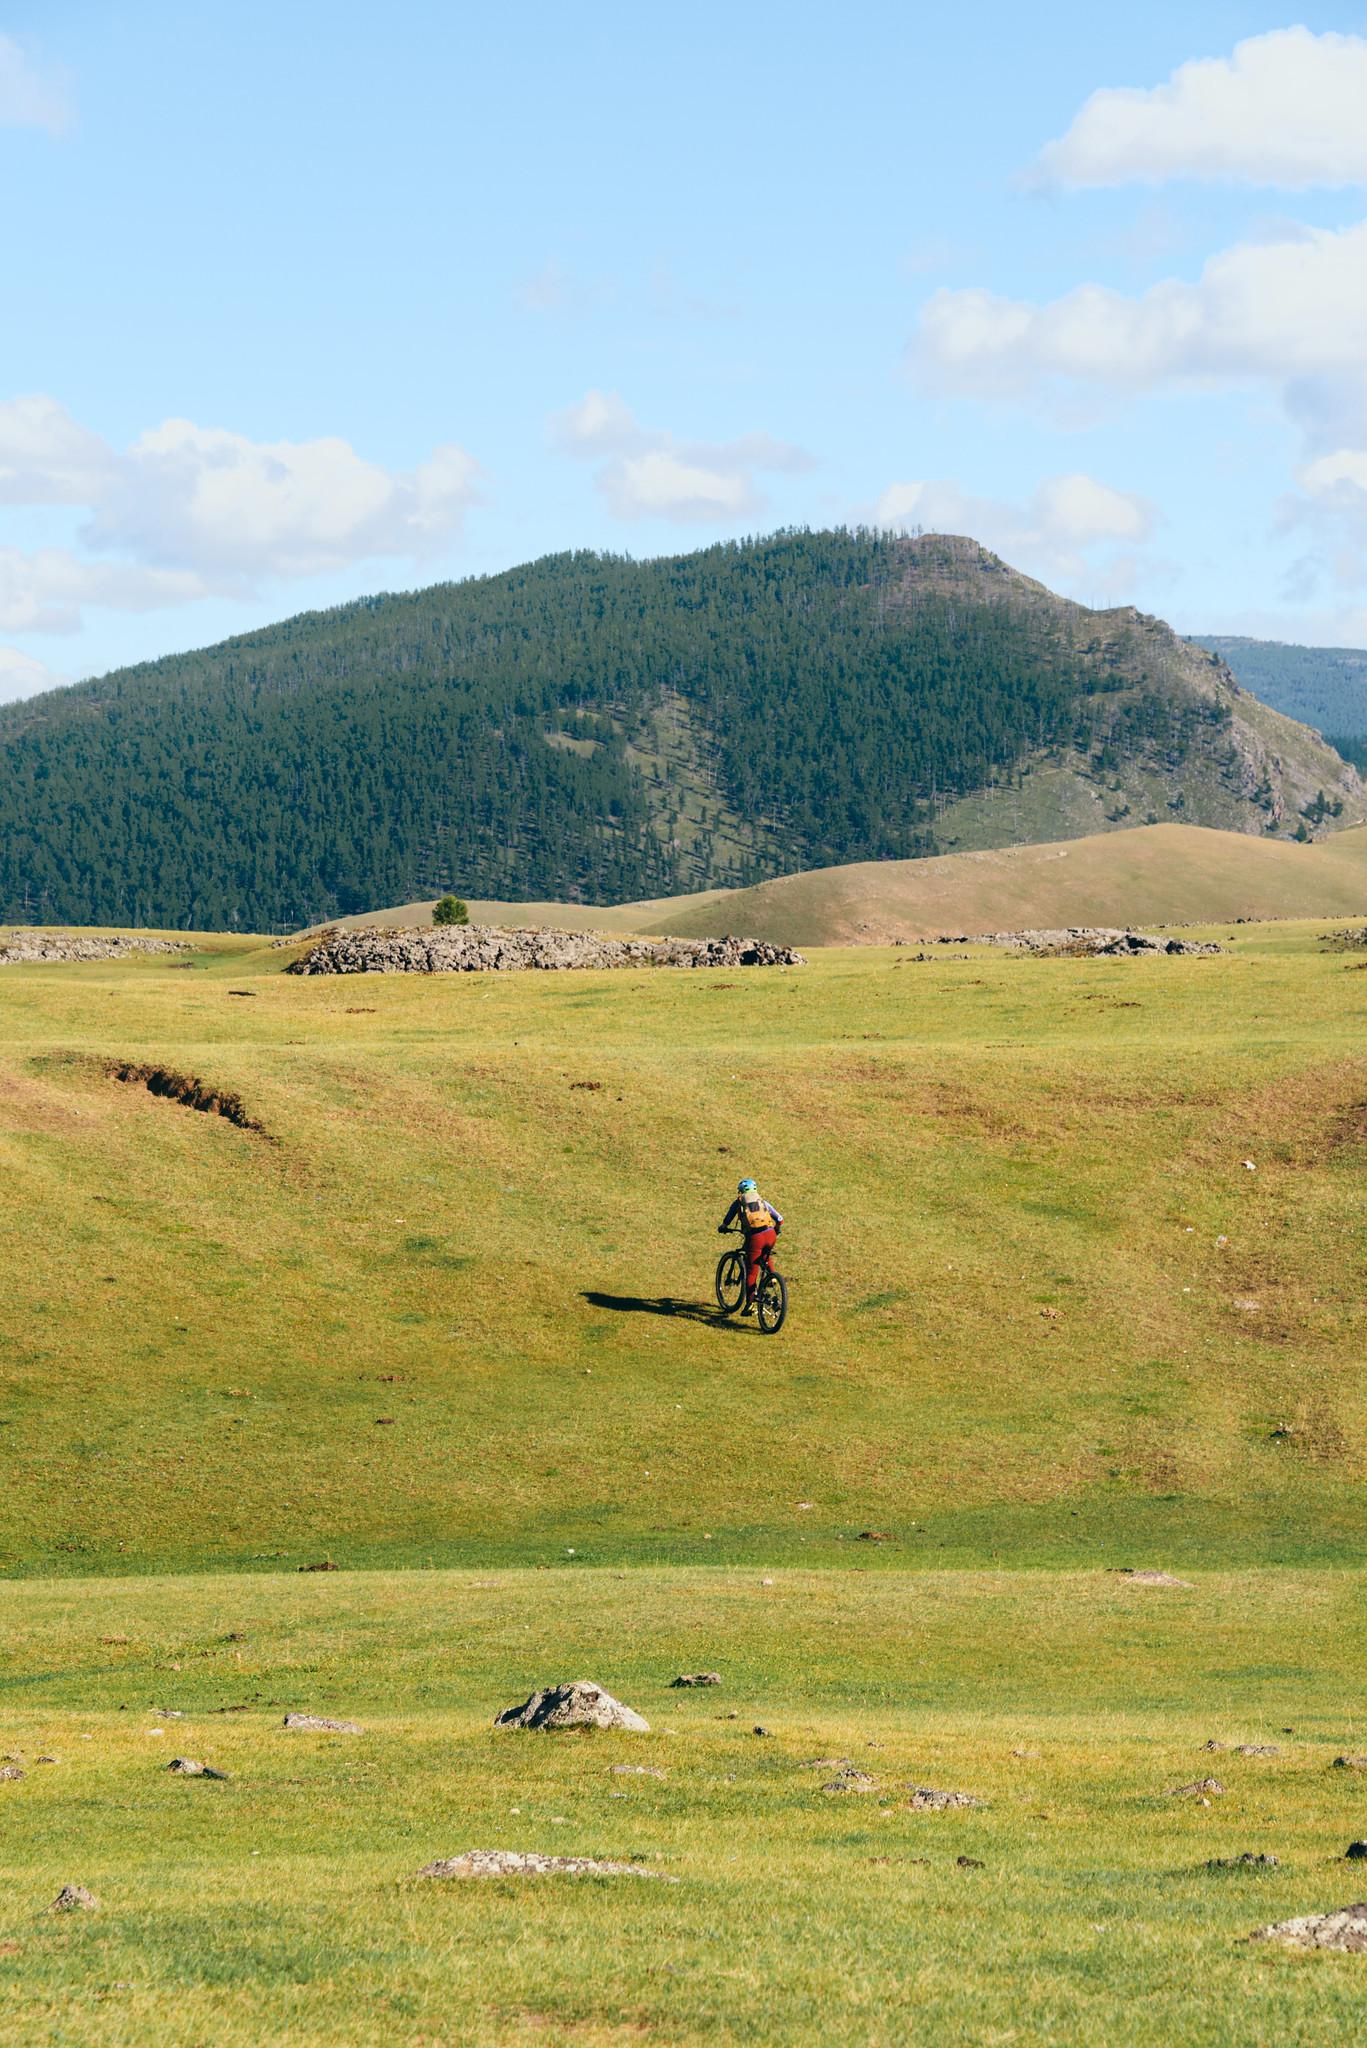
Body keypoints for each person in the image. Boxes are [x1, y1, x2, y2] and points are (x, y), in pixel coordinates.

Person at [718, 1176, 783, 1314]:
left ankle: (751, 1304)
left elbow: (729, 1218)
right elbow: (780, 1219)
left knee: (752, 1270)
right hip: (770, 1234)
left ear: (741, 1192)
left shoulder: (740, 1202)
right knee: (765, 1255)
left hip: (755, 1237)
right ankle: (772, 1277)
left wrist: (723, 1226)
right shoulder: (763, 1202)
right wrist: (776, 1230)